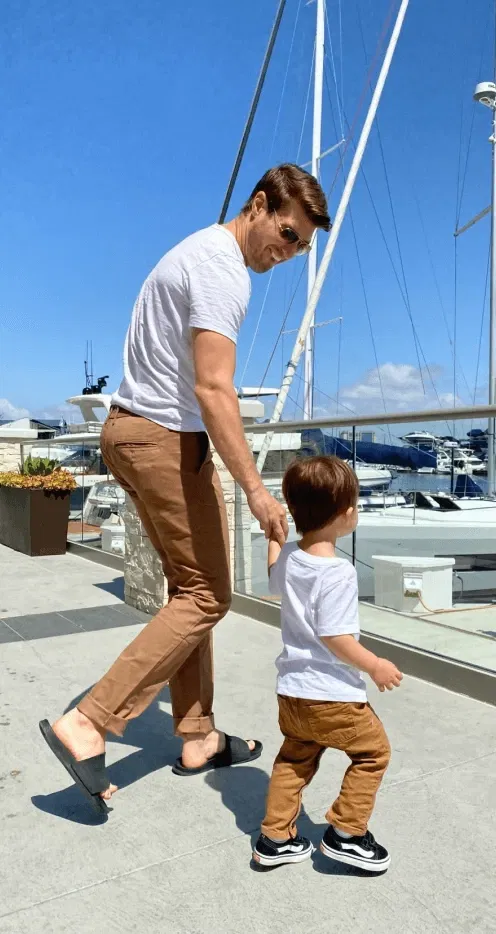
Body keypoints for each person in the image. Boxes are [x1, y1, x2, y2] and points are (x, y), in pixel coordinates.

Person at [39, 164, 331, 815]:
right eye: (286, 234)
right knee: (207, 595)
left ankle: (197, 735)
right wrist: (257, 491)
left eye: (300, 248)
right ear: (259, 205)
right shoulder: (223, 270)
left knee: (189, 588)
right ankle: (89, 720)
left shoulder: (196, 252)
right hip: (165, 442)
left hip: (131, 433)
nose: (286, 253)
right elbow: (213, 389)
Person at [252, 456, 402, 872]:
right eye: (353, 503)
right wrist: (375, 665)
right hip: (331, 696)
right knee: (373, 753)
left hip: (292, 693)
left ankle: (275, 838)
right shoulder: (338, 573)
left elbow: (272, 575)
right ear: (343, 515)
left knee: (294, 759)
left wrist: (273, 538)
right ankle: (347, 834)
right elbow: (335, 637)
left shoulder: (291, 560)